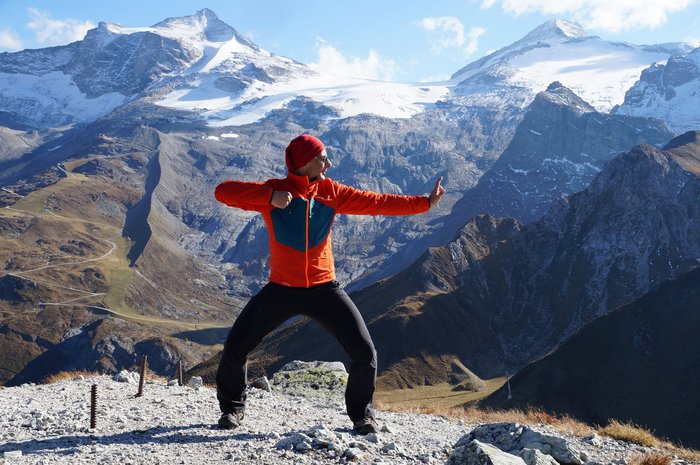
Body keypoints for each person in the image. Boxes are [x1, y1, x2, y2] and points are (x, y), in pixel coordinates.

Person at [214, 134, 446, 434]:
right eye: (323, 158)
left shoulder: (331, 192)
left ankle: (362, 416)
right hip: (281, 289)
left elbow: (377, 203)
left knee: (365, 353)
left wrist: (425, 203)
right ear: (304, 163)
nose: (329, 163)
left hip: (325, 289)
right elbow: (222, 192)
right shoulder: (275, 191)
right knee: (235, 346)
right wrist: (268, 198)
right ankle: (232, 410)